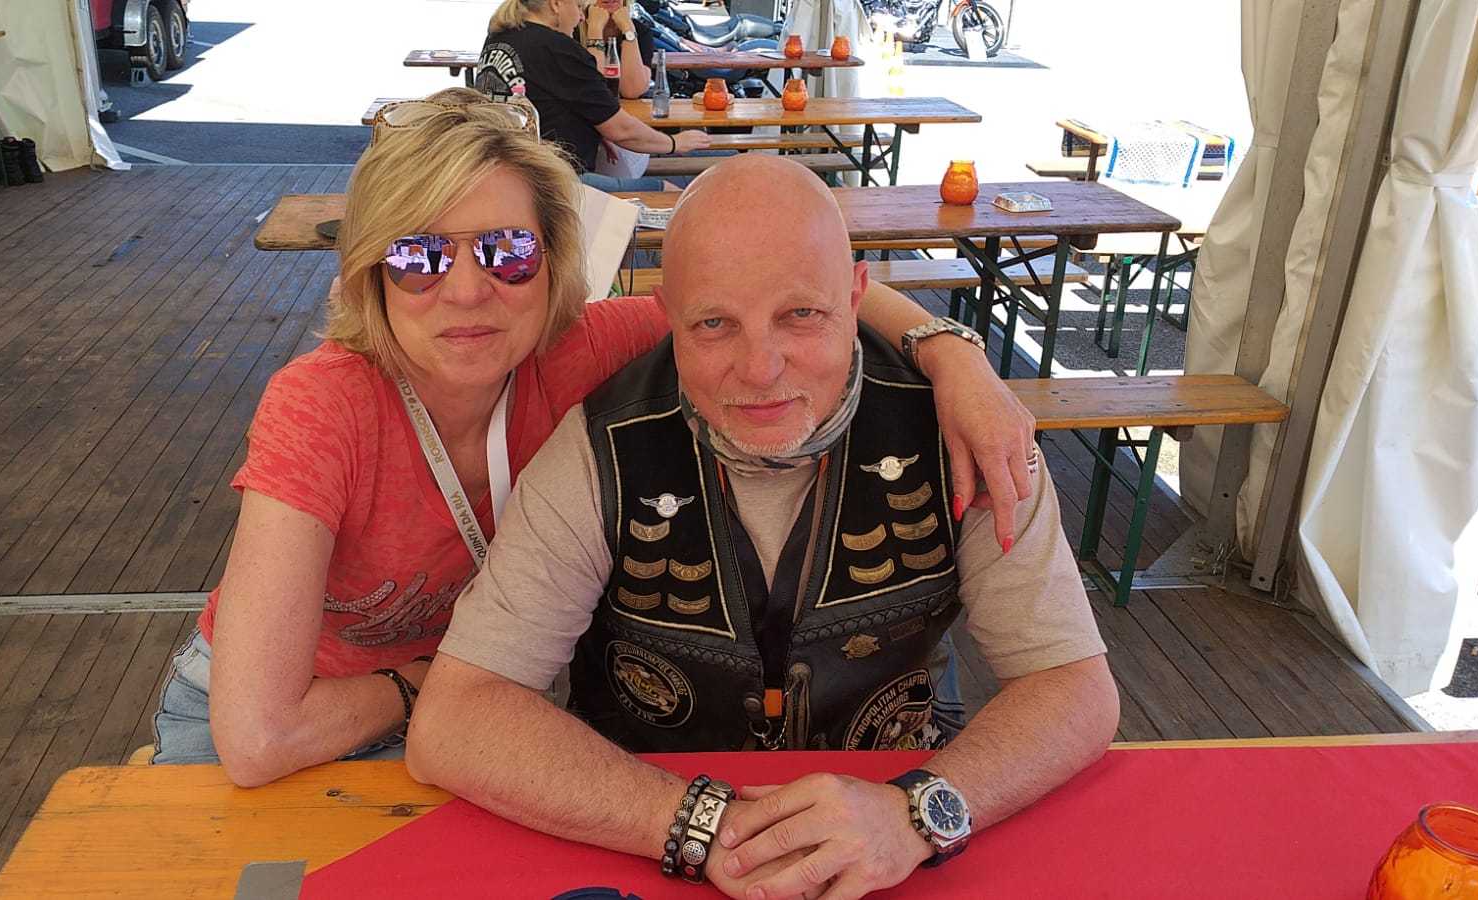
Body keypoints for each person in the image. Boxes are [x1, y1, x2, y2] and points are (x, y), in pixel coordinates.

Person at [149, 90, 1040, 788]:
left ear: (552, 260)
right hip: (272, 727)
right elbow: (259, 738)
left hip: (459, 711)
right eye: (420, 255)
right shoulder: (322, 407)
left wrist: (953, 355)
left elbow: (789, 293)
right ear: (373, 272)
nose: (468, 291)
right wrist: (428, 680)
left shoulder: (577, 348)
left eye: (506, 251)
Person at [406, 155, 1118, 898]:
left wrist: (916, 812)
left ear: (855, 297)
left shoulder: (966, 434)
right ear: (668, 317)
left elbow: (1073, 685)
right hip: (639, 833)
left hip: (900, 827)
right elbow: (458, 717)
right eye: (714, 324)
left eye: (800, 315)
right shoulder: (599, 449)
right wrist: (700, 825)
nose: (760, 368)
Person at [477, 0, 708, 191]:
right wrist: (674, 142)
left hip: (500, 171)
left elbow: (543, 101)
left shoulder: (499, 37)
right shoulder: (556, 47)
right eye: (578, 7)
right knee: (668, 192)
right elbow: (621, 130)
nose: (581, 17)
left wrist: (592, 128)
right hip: (552, 182)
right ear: (556, 4)